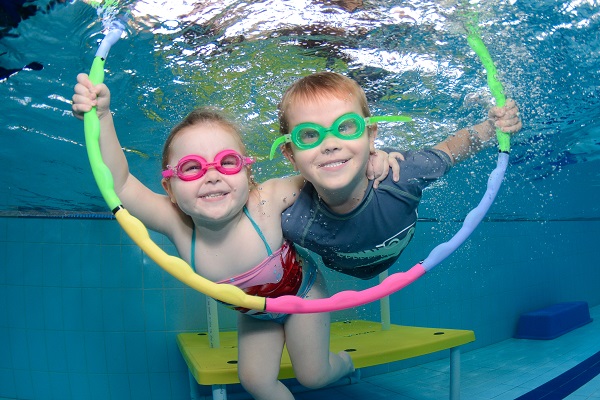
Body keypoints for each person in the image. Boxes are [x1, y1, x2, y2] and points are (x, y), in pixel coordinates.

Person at [71, 72, 399, 399]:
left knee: (313, 376)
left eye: (227, 162)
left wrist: (372, 158)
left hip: (303, 294)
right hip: (256, 313)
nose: (211, 176)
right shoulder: (177, 224)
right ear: (169, 188)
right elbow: (121, 184)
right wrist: (101, 116)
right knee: (255, 381)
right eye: (191, 167)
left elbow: (330, 175)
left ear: (247, 174)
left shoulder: (266, 201)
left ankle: (344, 363)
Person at [273, 71, 522, 280]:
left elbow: (449, 148)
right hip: (340, 268)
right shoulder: (290, 220)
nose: (330, 144)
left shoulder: (401, 174)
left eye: (346, 126)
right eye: (308, 135)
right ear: (291, 155)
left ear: (370, 136)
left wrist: (492, 128)